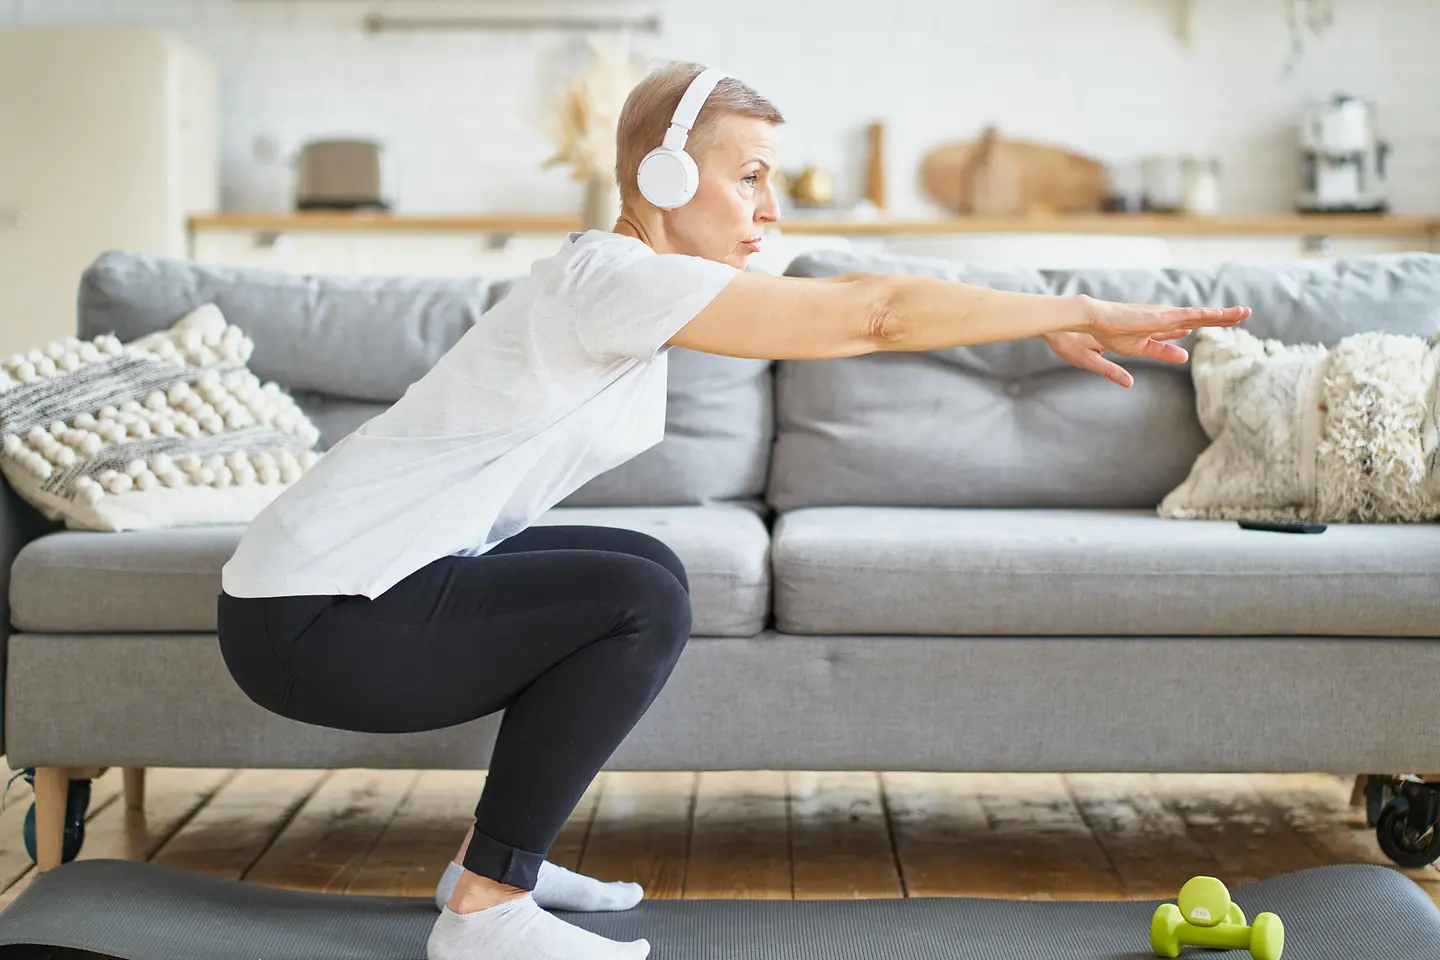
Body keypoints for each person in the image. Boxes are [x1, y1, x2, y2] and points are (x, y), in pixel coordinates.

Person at [216, 62, 1250, 960]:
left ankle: (490, 864)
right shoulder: (615, 280)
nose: (770, 207)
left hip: (325, 599)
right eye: (748, 175)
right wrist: (1073, 309)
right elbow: (873, 312)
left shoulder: (620, 277)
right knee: (636, 600)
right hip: (314, 620)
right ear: (663, 176)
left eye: (773, 180)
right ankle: (487, 911)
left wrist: (1040, 319)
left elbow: (866, 307)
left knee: (650, 570)